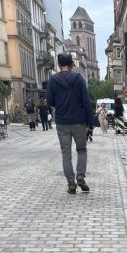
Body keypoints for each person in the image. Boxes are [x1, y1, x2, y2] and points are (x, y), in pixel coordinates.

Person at [46, 53, 93, 194]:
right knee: (82, 150)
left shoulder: (53, 80)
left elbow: (50, 101)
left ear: (59, 64)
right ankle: (80, 176)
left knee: (66, 153)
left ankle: (71, 184)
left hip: (62, 122)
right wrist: (90, 122)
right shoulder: (78, 78)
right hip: (78, 121)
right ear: (72, 64)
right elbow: (86, 101)